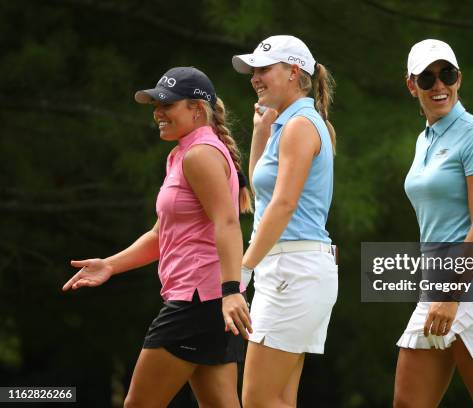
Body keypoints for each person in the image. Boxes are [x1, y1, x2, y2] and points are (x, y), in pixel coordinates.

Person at [62, 66, 253, 408]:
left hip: (198, 302)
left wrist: (230, 292)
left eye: (167, 105)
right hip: (208, 302)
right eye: (155, 105)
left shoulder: (199, 155)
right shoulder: (182, 153)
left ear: (197, 109)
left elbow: (227, 223)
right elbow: (159, 234)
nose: (158, 113)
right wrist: (109, 265)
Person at [394, 39, 473, 407]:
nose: (439, 86)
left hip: (471, 291)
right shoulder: (425, 139)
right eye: (427, 78)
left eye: (446, 74)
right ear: (411, 85)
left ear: (458, 78)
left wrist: (451, 295)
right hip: (435, 291)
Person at [231, 35, 338, 407]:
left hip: (294, 270)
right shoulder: (289, 124)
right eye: (253, 71)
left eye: (263, 69)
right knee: (277, 399)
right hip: (289, 270)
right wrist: (261, 132)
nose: (254, 78)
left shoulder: (300, 126)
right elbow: (263, 194)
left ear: (294, 72)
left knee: (258, 399)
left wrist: (243, 267)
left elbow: (283, 205)